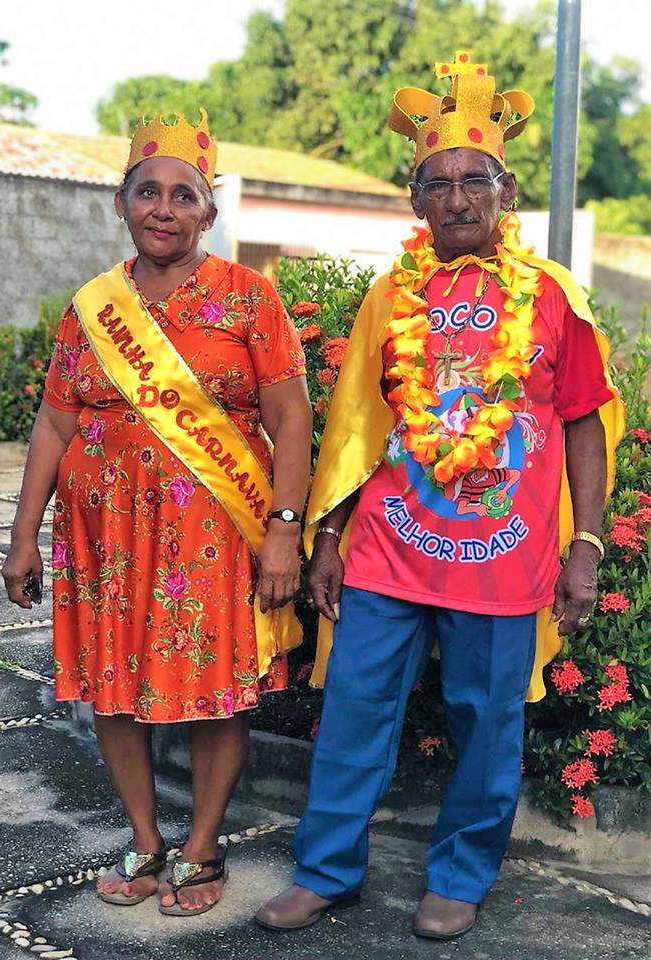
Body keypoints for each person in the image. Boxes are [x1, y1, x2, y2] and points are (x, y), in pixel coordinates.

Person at [256, 52, 623, 940]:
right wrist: (329, 537)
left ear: (505, 192)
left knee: (487, 723)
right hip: (389, 547)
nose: (457, 197)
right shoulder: (391, 296)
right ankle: (326, 868)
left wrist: (587, 546)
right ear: (415, 202)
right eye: (437, 181)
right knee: (352, 709)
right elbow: (351, 424)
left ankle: (460, 875)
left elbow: (581, 421)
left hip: (503, 554)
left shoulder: (553, 298)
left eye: (475, 180)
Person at [3, 109, 312, 917]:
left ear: (209, 212)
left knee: (217, 689)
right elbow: (55, 422)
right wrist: (23, 536)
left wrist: (284, 530)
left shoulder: (250, 300)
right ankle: (144, 838)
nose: (164, 209)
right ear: (123, 202)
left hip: (212, 539)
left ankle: (203, 847)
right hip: (105, 538)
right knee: (113, 687)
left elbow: (290, 420)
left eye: (183, 195)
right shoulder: (91, 306)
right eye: (148, 192)